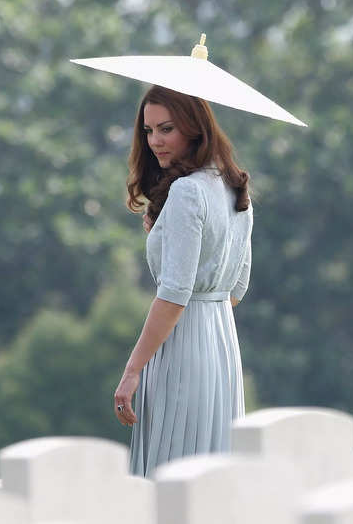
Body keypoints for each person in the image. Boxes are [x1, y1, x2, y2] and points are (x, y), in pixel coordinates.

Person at [112, 84, 253, 477]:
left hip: (182, 348)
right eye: (148, 130)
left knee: (171, 476)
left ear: (194, 128)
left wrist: (132, 371)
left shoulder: (188, 192)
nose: (155, 141)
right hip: (221, 348)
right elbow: (235, 289)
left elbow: (174, 295)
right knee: (211, 478)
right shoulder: (234, 187)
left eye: (166, 129)